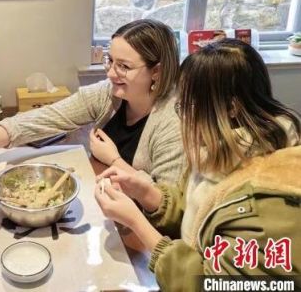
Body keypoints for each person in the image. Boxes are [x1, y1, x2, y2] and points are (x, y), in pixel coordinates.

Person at [95, 39, 301, 290]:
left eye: (188, 105)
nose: (183, 116)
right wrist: (146, 193)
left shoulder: (271, 201)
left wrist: (137, 222)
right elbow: (200, 212)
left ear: (231, 108)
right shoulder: (219, 151)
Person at [0, 19, 185, 184]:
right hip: (104, 197)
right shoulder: (108, 94)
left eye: (124, 66)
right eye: (110, 61)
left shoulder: (173, 122)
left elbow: (165, 204)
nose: (110, 73)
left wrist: (114, 160)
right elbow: (46, 118)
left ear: (156, 71)